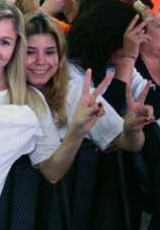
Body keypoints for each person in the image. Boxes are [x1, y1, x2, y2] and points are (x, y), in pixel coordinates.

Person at [0, 0, 113, 184]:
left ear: (16, 47)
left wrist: (77, 131)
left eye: (4, 42)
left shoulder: (32, 100)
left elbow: (52, 172)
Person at [24, 13, 148, 152]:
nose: (40, 61)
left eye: (49, 52)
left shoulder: (76, 92)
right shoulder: (6, 95)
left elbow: (127, 142)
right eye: (30, 52)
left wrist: (132, 131)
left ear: (60, 56)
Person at [67, 0, 160, 119]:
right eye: (129, 43)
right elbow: (102, 118)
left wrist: (147, 110)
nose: (135, 49)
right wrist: (128, 57)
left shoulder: (114, 65)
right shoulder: (71, 70)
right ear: (111, 39)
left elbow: (158, 103)